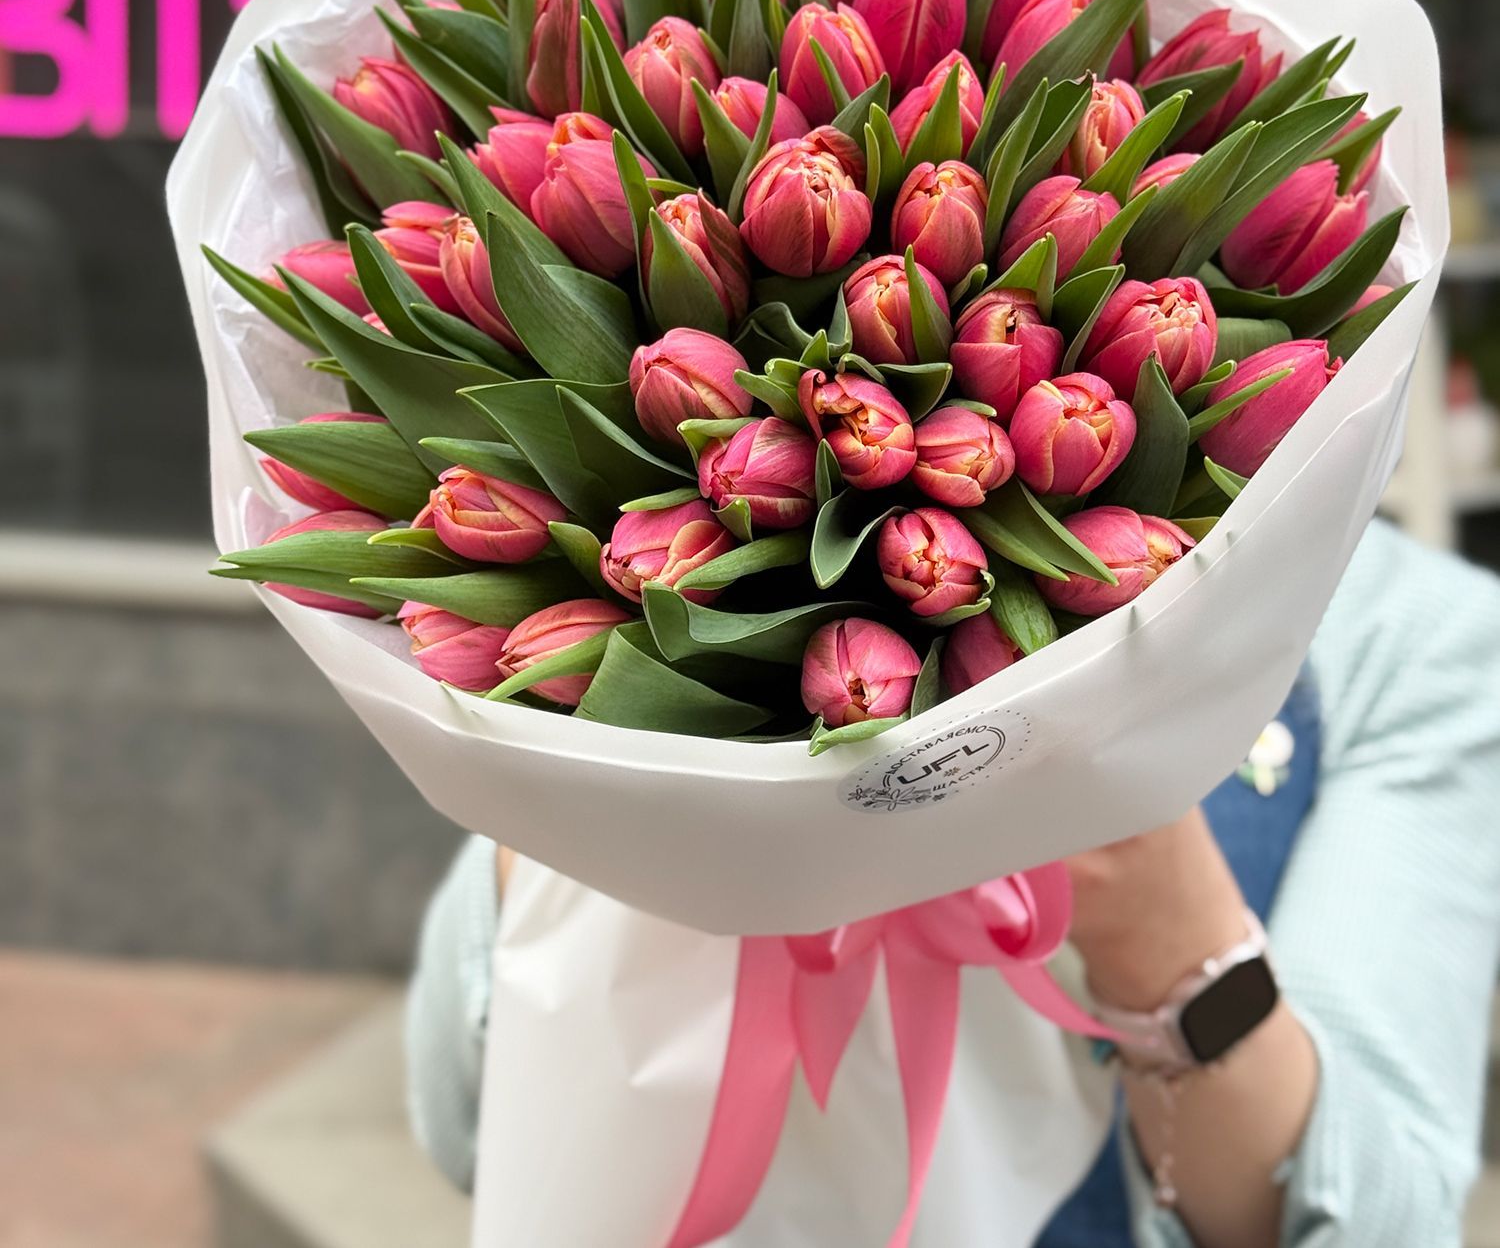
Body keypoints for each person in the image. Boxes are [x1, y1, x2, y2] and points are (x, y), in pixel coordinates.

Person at [403, 518, 1500, 1246]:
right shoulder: (650, 569)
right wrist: (588, 790)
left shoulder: (1414, 644)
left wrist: (1169, 932)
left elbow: (1393, 1225)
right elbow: (459, 1122)